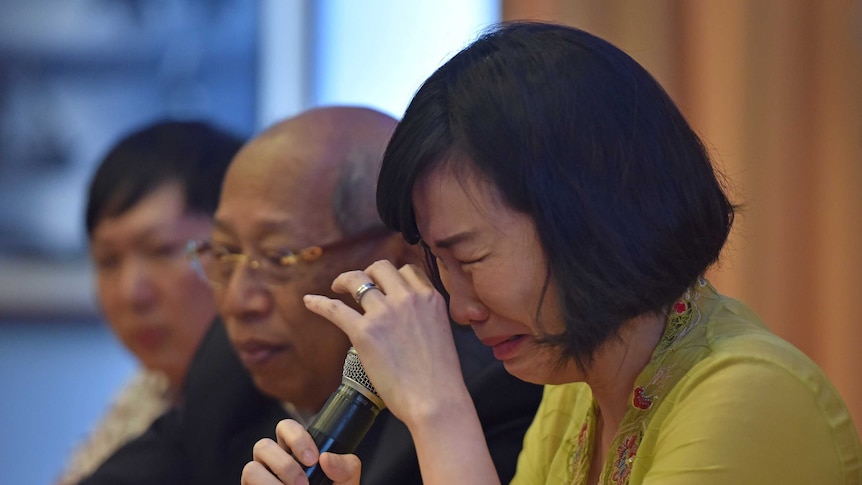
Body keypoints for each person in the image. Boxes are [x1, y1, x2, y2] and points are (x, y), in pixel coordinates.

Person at [244, 22, 862, 485]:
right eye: (439, 263)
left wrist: (438, 408)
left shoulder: (750, 397)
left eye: (472, 257)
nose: (459, 307)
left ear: (588, 218)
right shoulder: (574, 390)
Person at [77, 106, 543, 485]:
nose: (240, 300)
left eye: (280, 258)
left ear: (403, 254)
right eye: (224, 254)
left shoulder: (487, 393)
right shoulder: (228, 367)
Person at [58, 120, 242, 485]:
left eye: (161, 250)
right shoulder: (143, 396)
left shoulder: (280, 411)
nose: (131, 293)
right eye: (108, 261)